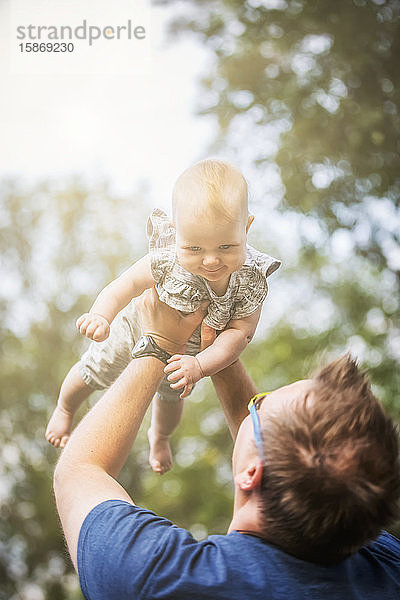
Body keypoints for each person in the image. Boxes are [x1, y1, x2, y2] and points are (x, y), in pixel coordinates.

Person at [54, 287, 400, 600]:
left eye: (261, 403)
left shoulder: (159, 579)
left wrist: (157, 342)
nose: (253, 403)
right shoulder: (383, 560)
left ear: (251, 472)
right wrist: (218, 350)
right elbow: (272, 454)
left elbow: (79, 472)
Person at [46, 158, 281, 473]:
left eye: (226, 246)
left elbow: (241, 334)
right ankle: (64, 407)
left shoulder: (249, 278)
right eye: (194, 248)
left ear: (247, 227)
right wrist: (101, 315)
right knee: (94, 371)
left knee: (171, 400)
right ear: (175, 231)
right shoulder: (165, 259)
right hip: (135, 330)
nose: (211, 260)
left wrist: (199, 364)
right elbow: (125, 284)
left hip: (187, 355)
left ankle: (160, 437)